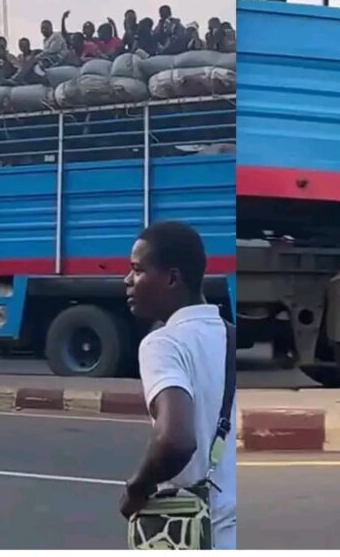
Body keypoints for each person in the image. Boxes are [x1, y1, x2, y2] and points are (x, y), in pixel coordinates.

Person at [122, 222, 235, 549]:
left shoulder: (162, 344)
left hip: (200, 534)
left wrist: (137, 488)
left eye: (138, 270)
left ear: (171, 278)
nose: (128, 280)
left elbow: (175, 441)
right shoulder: (229, 336)